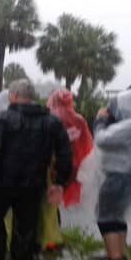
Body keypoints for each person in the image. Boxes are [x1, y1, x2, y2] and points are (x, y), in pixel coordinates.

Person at [0, 79, 72, 260]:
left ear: (14, 96)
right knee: (26, 226)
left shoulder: (3, 119)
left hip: (1, 182)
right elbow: (65, 153)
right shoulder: (51, 121)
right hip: (33, 184)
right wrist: (60, 182)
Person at [89, 89, 131, 260]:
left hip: (118, 178)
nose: (112, 111)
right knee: (118, 216)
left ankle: (113, 258)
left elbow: (101, 139)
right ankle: (120, 254)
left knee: (105, 217)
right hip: (129, 178)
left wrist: (100, 120)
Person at [41, 89, 95, 249]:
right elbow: (87, 144)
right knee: (56, 199)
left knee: (48, 202)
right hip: (72, 166)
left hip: (52, 165)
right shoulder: (79, 119)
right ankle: (54, 237)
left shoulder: (49, 118)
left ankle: (50, 239)